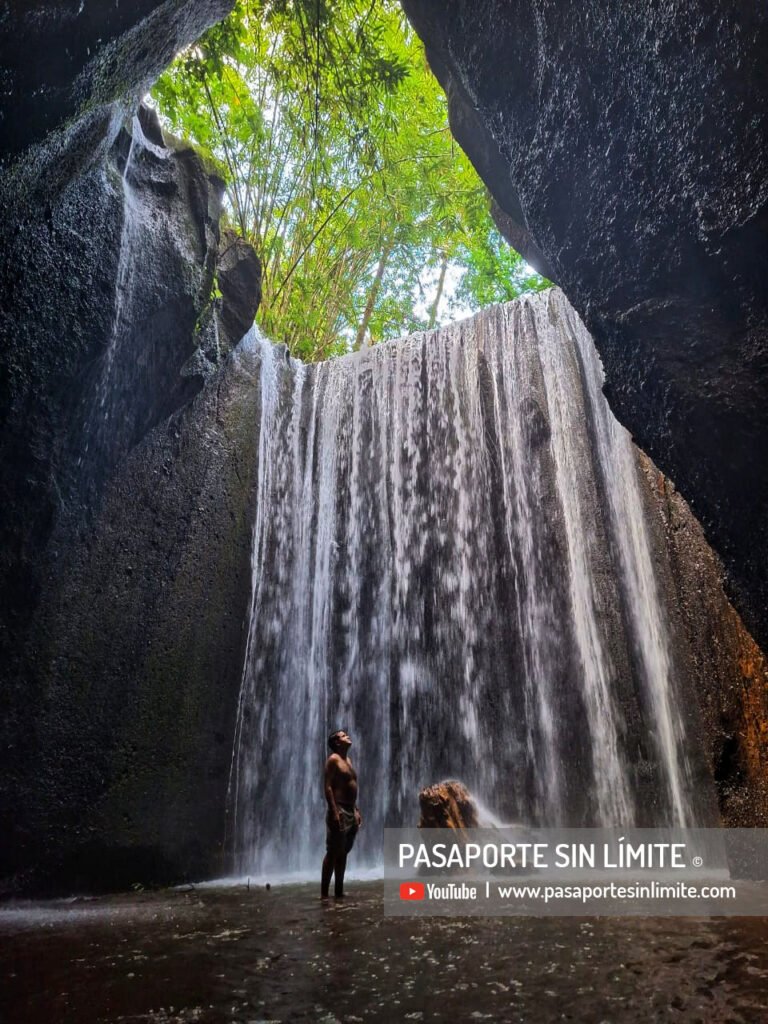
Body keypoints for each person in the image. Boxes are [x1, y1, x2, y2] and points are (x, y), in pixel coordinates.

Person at [321, 728, 362, 898]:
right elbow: (328, 787)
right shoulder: (333, 760)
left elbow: (351, 786)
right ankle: (324, 894)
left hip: (350, 810)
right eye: (343, 735)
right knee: (332, 852)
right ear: (337, 742)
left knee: (343, 851)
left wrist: (356, 809)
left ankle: (338, 891)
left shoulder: (348, 760)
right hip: (339, 809)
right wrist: (334, 811)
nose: (347, 736)